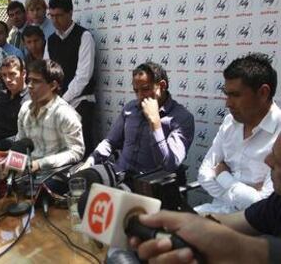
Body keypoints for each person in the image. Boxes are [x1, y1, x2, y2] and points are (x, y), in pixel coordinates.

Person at [129, 131, 281, 264]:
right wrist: (183, 223)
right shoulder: (276, 203)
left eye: (279, 159)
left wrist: (222, 175)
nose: (268, 161)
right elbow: (206, 177)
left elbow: (252, 201)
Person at [79, 62, 194, 186]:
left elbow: (169, 165)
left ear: (162, 85)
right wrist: (90, 161)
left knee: (110, 198)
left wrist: (155, 123)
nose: (140, 96)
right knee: (79, 180)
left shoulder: (182, 118)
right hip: (118, 173)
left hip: (149, 183)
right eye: (136, 91)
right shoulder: (130, 108)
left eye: (145, 89)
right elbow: (110, 142)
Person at [196, 53, 280, 214]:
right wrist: (243, 194)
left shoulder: (279, 134)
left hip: (256, 229)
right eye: (227, 94)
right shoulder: (229, 122)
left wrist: (223, 175)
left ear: (263, 93)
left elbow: (264, 207)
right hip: (215, 211)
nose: (227, 103)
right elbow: (204, 174)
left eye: (235, 95)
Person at [46, 0, 96, 157]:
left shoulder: (84, 36)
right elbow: (46, 71)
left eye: (59, 15)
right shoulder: (51, 40)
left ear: (70, 13)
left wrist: (62, 101)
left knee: (81, 149)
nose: (54, 20)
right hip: (58, 102)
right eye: (51, 16)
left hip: (80, 100)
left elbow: (83, 77)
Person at [16, 59, 84, 173]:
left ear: (53, 85)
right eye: (29, 80)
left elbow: (77, 151)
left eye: (36, 81)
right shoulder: (24, 108)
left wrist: (40, 164)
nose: (30, 86)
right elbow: (20, 142)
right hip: (25, 172)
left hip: (54, 175)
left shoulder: (65, 113)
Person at [0, 55, 29, 143]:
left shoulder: (30, 100)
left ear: (23, 74)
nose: (7, 79)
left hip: (14, 150)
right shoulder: (2, 95)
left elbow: (25, 135)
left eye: (12, 74)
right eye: (4, 75)